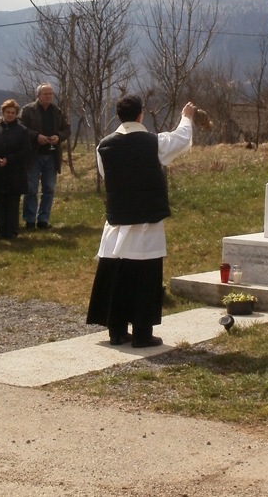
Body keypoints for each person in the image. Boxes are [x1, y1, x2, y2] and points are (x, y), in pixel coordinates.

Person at [87, 95, 195, 348]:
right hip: (146, 222)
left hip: (116, 221)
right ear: (140, 115)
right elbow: (180, 139)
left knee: (117, 276)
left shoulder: (104, 145)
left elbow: (106, 175)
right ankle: (142, 334)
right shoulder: (153, 142)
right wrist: (186, 117)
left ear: (119, 116)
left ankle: (116, 332)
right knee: (144, 277)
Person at [19, 83, 71, 230]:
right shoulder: (28, 111)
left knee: (48, 189)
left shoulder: (57, 111)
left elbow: (67, 129)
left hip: (52, 156)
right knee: (31, 189)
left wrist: (58, 137)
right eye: (45, 94)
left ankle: (43, 219)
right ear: (38, 95)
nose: (48, 96)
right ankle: (29, 220)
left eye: (50, 94)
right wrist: (36, 136)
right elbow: (21, 128)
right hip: (33, 156)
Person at [0, 99, 31, 240]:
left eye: (13, 113)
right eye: (8, 112)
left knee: (12, 204)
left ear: (16, 114)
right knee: (0, 203)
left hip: (15, 172)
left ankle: (12, 232)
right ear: (3, 112)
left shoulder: (22, 130)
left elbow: (26, 149)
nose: (10, 115)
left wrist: (9, 159)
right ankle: (1, 231)